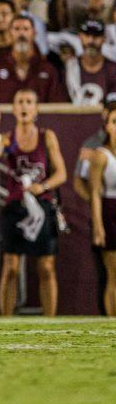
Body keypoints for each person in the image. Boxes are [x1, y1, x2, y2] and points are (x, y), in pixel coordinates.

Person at [0, 90, 66, 316]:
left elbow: (61, 174)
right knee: (10, 267)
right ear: (13, 108)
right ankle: (5, 321)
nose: (24, 106)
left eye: (29, 102)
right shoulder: (8, 138)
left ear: (36, 109)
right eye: (19, 101)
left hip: (42, 206)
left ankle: (50, 321)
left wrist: (43, 186)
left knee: (46, 268)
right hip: (16, 207)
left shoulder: (46, 136)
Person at [0, 13, 65, 103]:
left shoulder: (48, 70)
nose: (21, 33)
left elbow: (56, 106)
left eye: (26, 29)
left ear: (34, 34)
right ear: (9, 34)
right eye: (17, 29)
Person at [84, 105, 116, 316]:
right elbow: (94, 192)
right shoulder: (100, 155)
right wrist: (98, 226)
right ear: (106, 127)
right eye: (114, 122)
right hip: (111, 212)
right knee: (114, 275)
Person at [62, 20, 116, 106]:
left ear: (104, 38)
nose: (91, 41)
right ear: (80, 37)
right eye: (87, 35)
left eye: (96, 36)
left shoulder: (113, 69)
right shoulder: (69, 67)